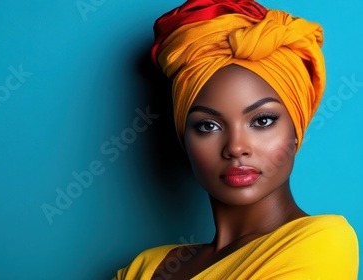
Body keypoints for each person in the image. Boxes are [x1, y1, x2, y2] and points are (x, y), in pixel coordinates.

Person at [114, 0, 359, 279]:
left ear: (296, 130)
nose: (236, 147)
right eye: (208, 125)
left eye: (262, 121)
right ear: (185, 139)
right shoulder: (143, 268)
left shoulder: (321, 243)